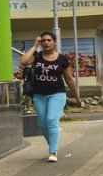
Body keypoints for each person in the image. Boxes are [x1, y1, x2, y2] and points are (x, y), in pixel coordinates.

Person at [20, 32, 80, 162]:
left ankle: (53, 152)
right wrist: (35, 45)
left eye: (49, 40)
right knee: (42, 124)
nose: (46, 43)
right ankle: (53, 143)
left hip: (57, 94)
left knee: (51, 120)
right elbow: (24, 61)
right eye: (43, 41)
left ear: (54, 42)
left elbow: (69, 79)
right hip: (39, 95)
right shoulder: (37, 57)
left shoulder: (62, 59)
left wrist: (77, 97)